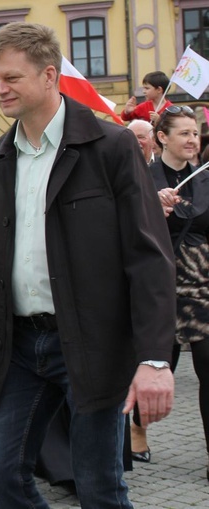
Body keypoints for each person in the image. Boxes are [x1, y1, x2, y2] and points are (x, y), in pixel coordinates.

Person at [0, 23, 176, 508]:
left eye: (10, 78)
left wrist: (154, 359)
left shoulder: (111, 147)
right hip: (18, 346)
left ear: (49, 76)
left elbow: (150, 257)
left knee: (98, 486)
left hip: (94, 343)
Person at [151, 106, 209, 476]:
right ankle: (136, 430)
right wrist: (154, 208)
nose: (192, 140)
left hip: (200, 287)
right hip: (157, 289)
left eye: (196, 133)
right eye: (184, 133)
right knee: (157, 366)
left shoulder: (204, 177)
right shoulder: (143, 177)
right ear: (163, 138)